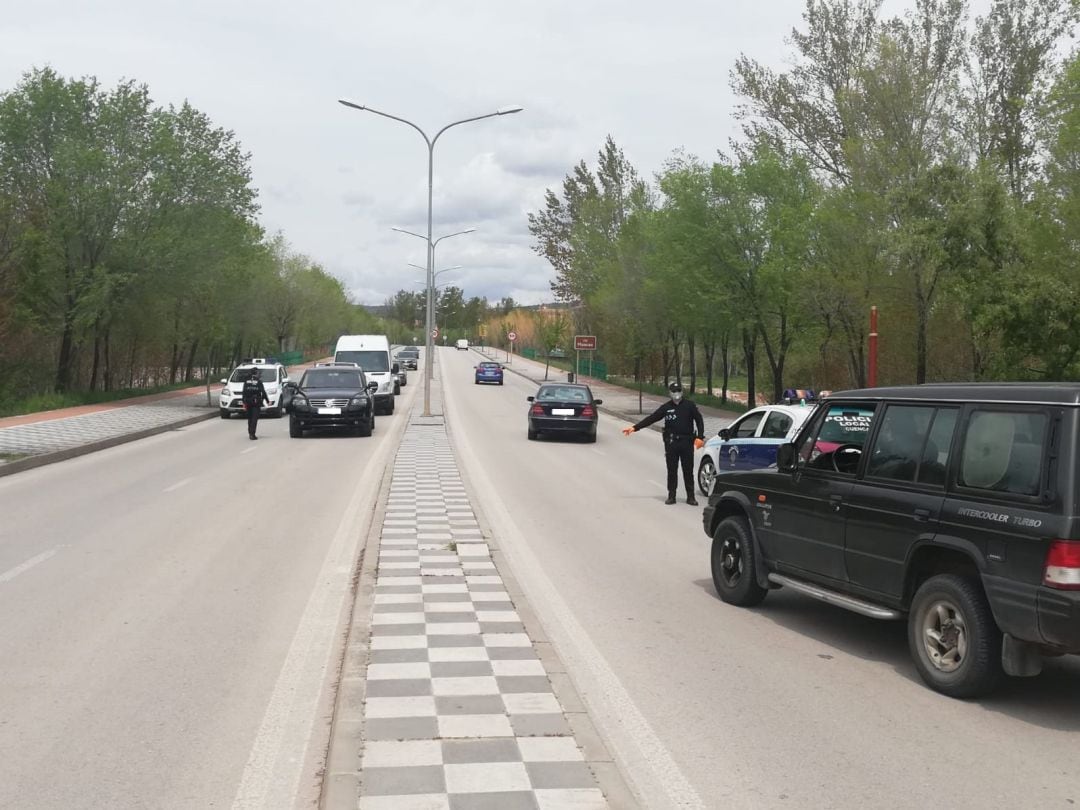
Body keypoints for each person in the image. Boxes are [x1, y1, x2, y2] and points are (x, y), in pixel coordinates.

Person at [622, 382, 705, 505]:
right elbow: (652, 418)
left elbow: (699, 420)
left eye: (678, 391)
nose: (676, 394)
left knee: (688, 470)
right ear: (670, 393)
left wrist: (700, 437)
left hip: (687, 442)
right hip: (671, 443)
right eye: (674, 391)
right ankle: (671, 496)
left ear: (682, 392)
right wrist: (635, 427)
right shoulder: (666, 408)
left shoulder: (690, 406)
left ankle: (691, 497)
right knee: (672, 470)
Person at [241, 367, 270, 440]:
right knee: (254, 418)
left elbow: (243, 392)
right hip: (256, 401)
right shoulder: (258, 381)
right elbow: (263, 392)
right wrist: (267, 400)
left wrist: (244, 402)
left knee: (250, 417)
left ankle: (250, 432)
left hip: (248, 401)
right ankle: (252, 434)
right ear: (256, 373)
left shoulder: (246, 381)